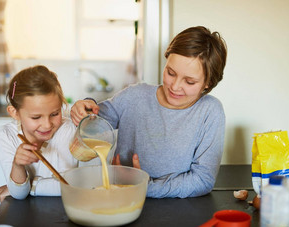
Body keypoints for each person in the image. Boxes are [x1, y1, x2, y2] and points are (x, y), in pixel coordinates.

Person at [70, 26, 227, 198]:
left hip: (177, 207)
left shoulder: (210, 112)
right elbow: (95, 121)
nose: (175, 86)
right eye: (171, 73)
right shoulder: (134, 96)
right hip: (122, 198)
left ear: (208, 83)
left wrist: (144, 187)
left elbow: (203, 180)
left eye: (189, 82)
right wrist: (86, 106)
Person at [0, 65, 78, 201]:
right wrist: (17, 165)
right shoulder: (6, 136)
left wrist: (29, 186)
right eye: (36, 117)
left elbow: (68, 186)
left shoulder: (66, 130)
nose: (47, 125)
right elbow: (19, 194)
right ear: (15, 113)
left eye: (54, 114)